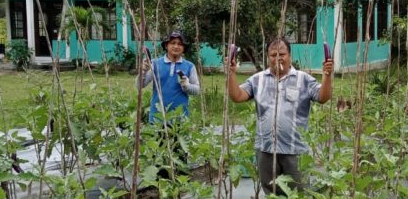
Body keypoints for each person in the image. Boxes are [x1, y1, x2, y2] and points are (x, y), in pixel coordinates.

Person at [225, 38, 334, 195]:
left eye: (282, 54)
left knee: (299, 193)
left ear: (289, 56)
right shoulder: (258, 79)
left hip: (295, 151)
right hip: (266, 150)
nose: (277, 58)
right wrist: (231, 74)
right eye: (273, 55)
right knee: (271, 192)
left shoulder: (303, 79)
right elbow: (237, 96)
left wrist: (327, 76)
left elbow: (323, 97)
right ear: (268, 57)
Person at [137, 30, 200, 179]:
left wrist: (186, 86)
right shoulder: (155, 64)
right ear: (166, 45)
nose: (176, 46)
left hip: (180, 121)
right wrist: (143, 71)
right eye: (173, 43)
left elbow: (197, 90)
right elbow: (140, 85)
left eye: (179, 44)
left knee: (180, 159)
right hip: (158, 118)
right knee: (160, 160)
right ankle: (162, 188)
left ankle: (179, 188)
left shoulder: (189, 66)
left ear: (183, 48)